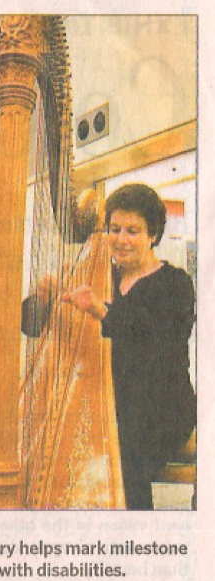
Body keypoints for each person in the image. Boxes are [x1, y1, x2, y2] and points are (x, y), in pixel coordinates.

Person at [22, 183, 196, 510]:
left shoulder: (176, 284)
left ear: (153, 235)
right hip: (113, 399)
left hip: (162, 407)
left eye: (133, 231)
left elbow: (157, 345)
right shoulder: (102, 275)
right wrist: (44, 298)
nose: (121, 239)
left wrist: (101, 310)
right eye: (114, 229)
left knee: (121, 450)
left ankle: (135, 539)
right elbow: (29, 326)